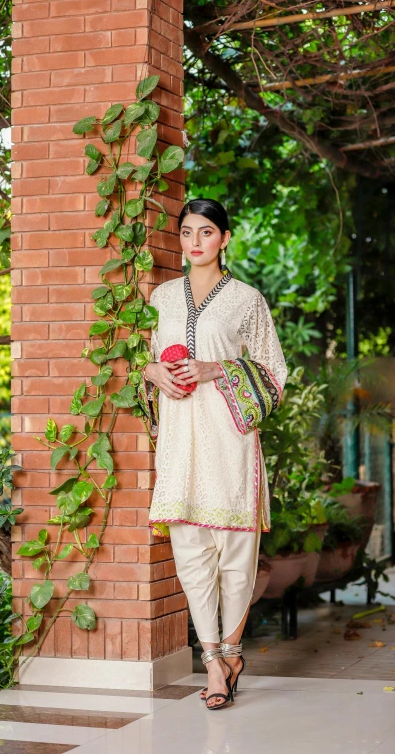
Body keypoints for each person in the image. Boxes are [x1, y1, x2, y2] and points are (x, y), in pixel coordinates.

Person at [140, 198, 287, 710]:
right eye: (186, 233)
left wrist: (216, 369)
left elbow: (274, 374)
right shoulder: (161, 298)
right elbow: (145, 359)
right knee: (190, 554)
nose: (194, 242)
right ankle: (212, 663)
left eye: (205, 232)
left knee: (235, 557)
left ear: (225, 238)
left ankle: (232, 652)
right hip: (181, 441)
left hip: (230, 440)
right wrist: (151, 371)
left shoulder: (246, 300)